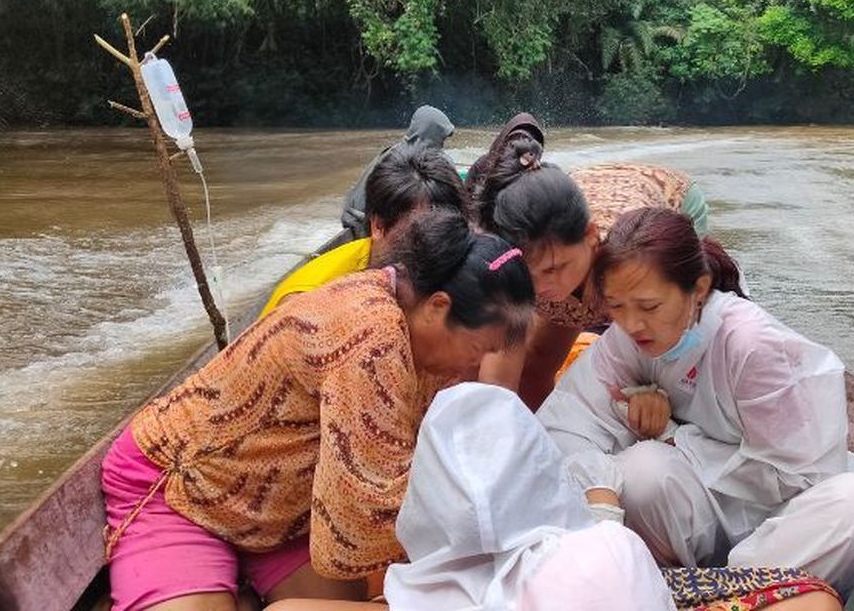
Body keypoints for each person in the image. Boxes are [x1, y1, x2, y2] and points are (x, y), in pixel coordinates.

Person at [100, 210, 534, 611]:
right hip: (185, 488)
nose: (477, 366)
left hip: (286, 510)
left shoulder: (413, 319)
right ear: (438, 307)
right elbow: (365, 508)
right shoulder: (370, 337)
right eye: (479, 350)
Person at [538, 208, 854, 597]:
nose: (633, 324)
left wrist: (673, 434)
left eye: (650, 306)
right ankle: (715, 593)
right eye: (617, 307)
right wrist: (603, 498)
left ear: (699, 289)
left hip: (791, 516)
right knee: (640, 471)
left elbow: (799, 476)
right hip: (710, 510)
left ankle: (709, 593)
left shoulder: (751, 344)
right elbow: (564, 425)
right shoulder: (628, 340)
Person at [265, 384, 839, 611]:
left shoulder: (425, 600)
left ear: (431, 500)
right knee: (815, 597)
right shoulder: (607, 548)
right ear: (537, 471)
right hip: (615, 569)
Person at [474, 131, 709, 410]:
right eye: (529, 274)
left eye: (554, 269)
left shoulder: (627, 256)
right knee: (537, 360)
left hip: (669, 197)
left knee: (671, 352)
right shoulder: (510, 268)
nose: (540, 288)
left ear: (590, 236)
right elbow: (497, 382)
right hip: (579, 190)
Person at [260, 142, 468, 318]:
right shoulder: (311, 303)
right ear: (379, 226)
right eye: (419, 235)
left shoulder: (438, 265)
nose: (434, 244)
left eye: (444, 233)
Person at [340, 105, 455, 238]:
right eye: (441, 140)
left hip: (362, 220)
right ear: (430, 135)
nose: (441, 146)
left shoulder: (399, 150)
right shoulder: (404, 160)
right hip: (362, 224)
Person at [462, 111, 544, 201]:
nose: (521, 143)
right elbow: (465, 199)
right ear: (504, 141)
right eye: (515, 139)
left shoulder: (538, 174)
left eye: (527, 138)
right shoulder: (483, 164)